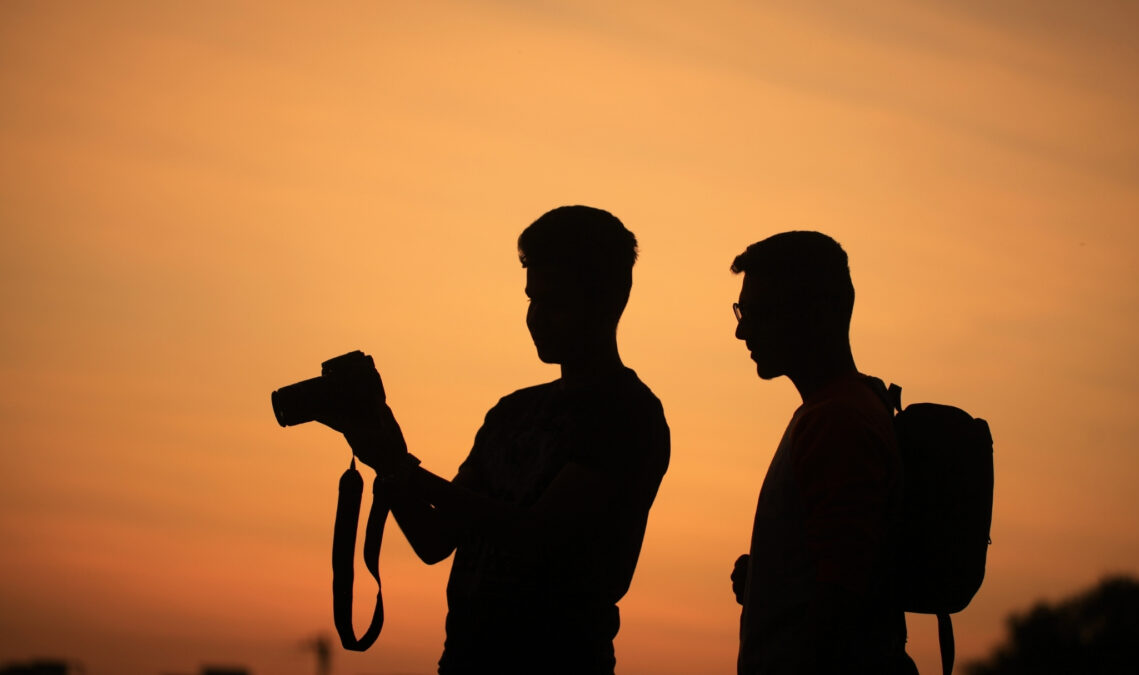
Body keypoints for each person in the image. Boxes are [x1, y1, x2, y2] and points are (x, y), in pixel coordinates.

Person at [322, 206, 670, 674]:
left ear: (609, 301)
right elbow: (435, 539)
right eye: (533, 300)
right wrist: (385, 455)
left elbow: (537, 534)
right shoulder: (513, 412)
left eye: (556, 303)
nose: (537, 318)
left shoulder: (628, 412)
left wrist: (403, 470)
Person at [728, 231, 916, 674]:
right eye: (741, 312)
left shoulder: (836, 422)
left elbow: (841, 599)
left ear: (818, 312)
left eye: (757, 313)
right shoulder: (843, 411)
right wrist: (771, 580)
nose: (741, 330)